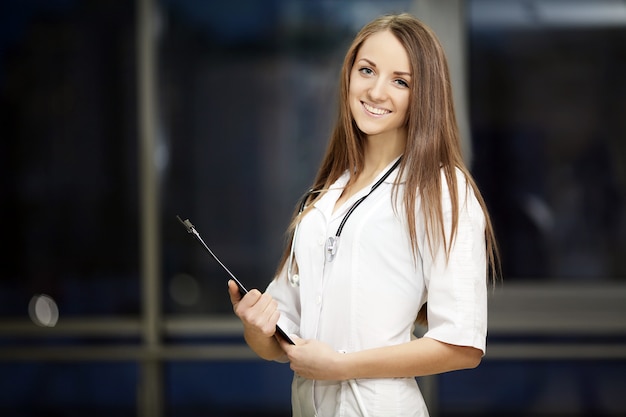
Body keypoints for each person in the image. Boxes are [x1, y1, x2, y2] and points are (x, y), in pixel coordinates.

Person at [228, 12, 499, 417]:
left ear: (424, 94)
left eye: (400, 81)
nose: (376, 91)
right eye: (367, 70)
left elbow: (463, 345)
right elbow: (282, 342)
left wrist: (341, 366)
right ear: (348, 75)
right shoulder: (327, 195)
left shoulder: (442, 188)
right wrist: (256, 326)